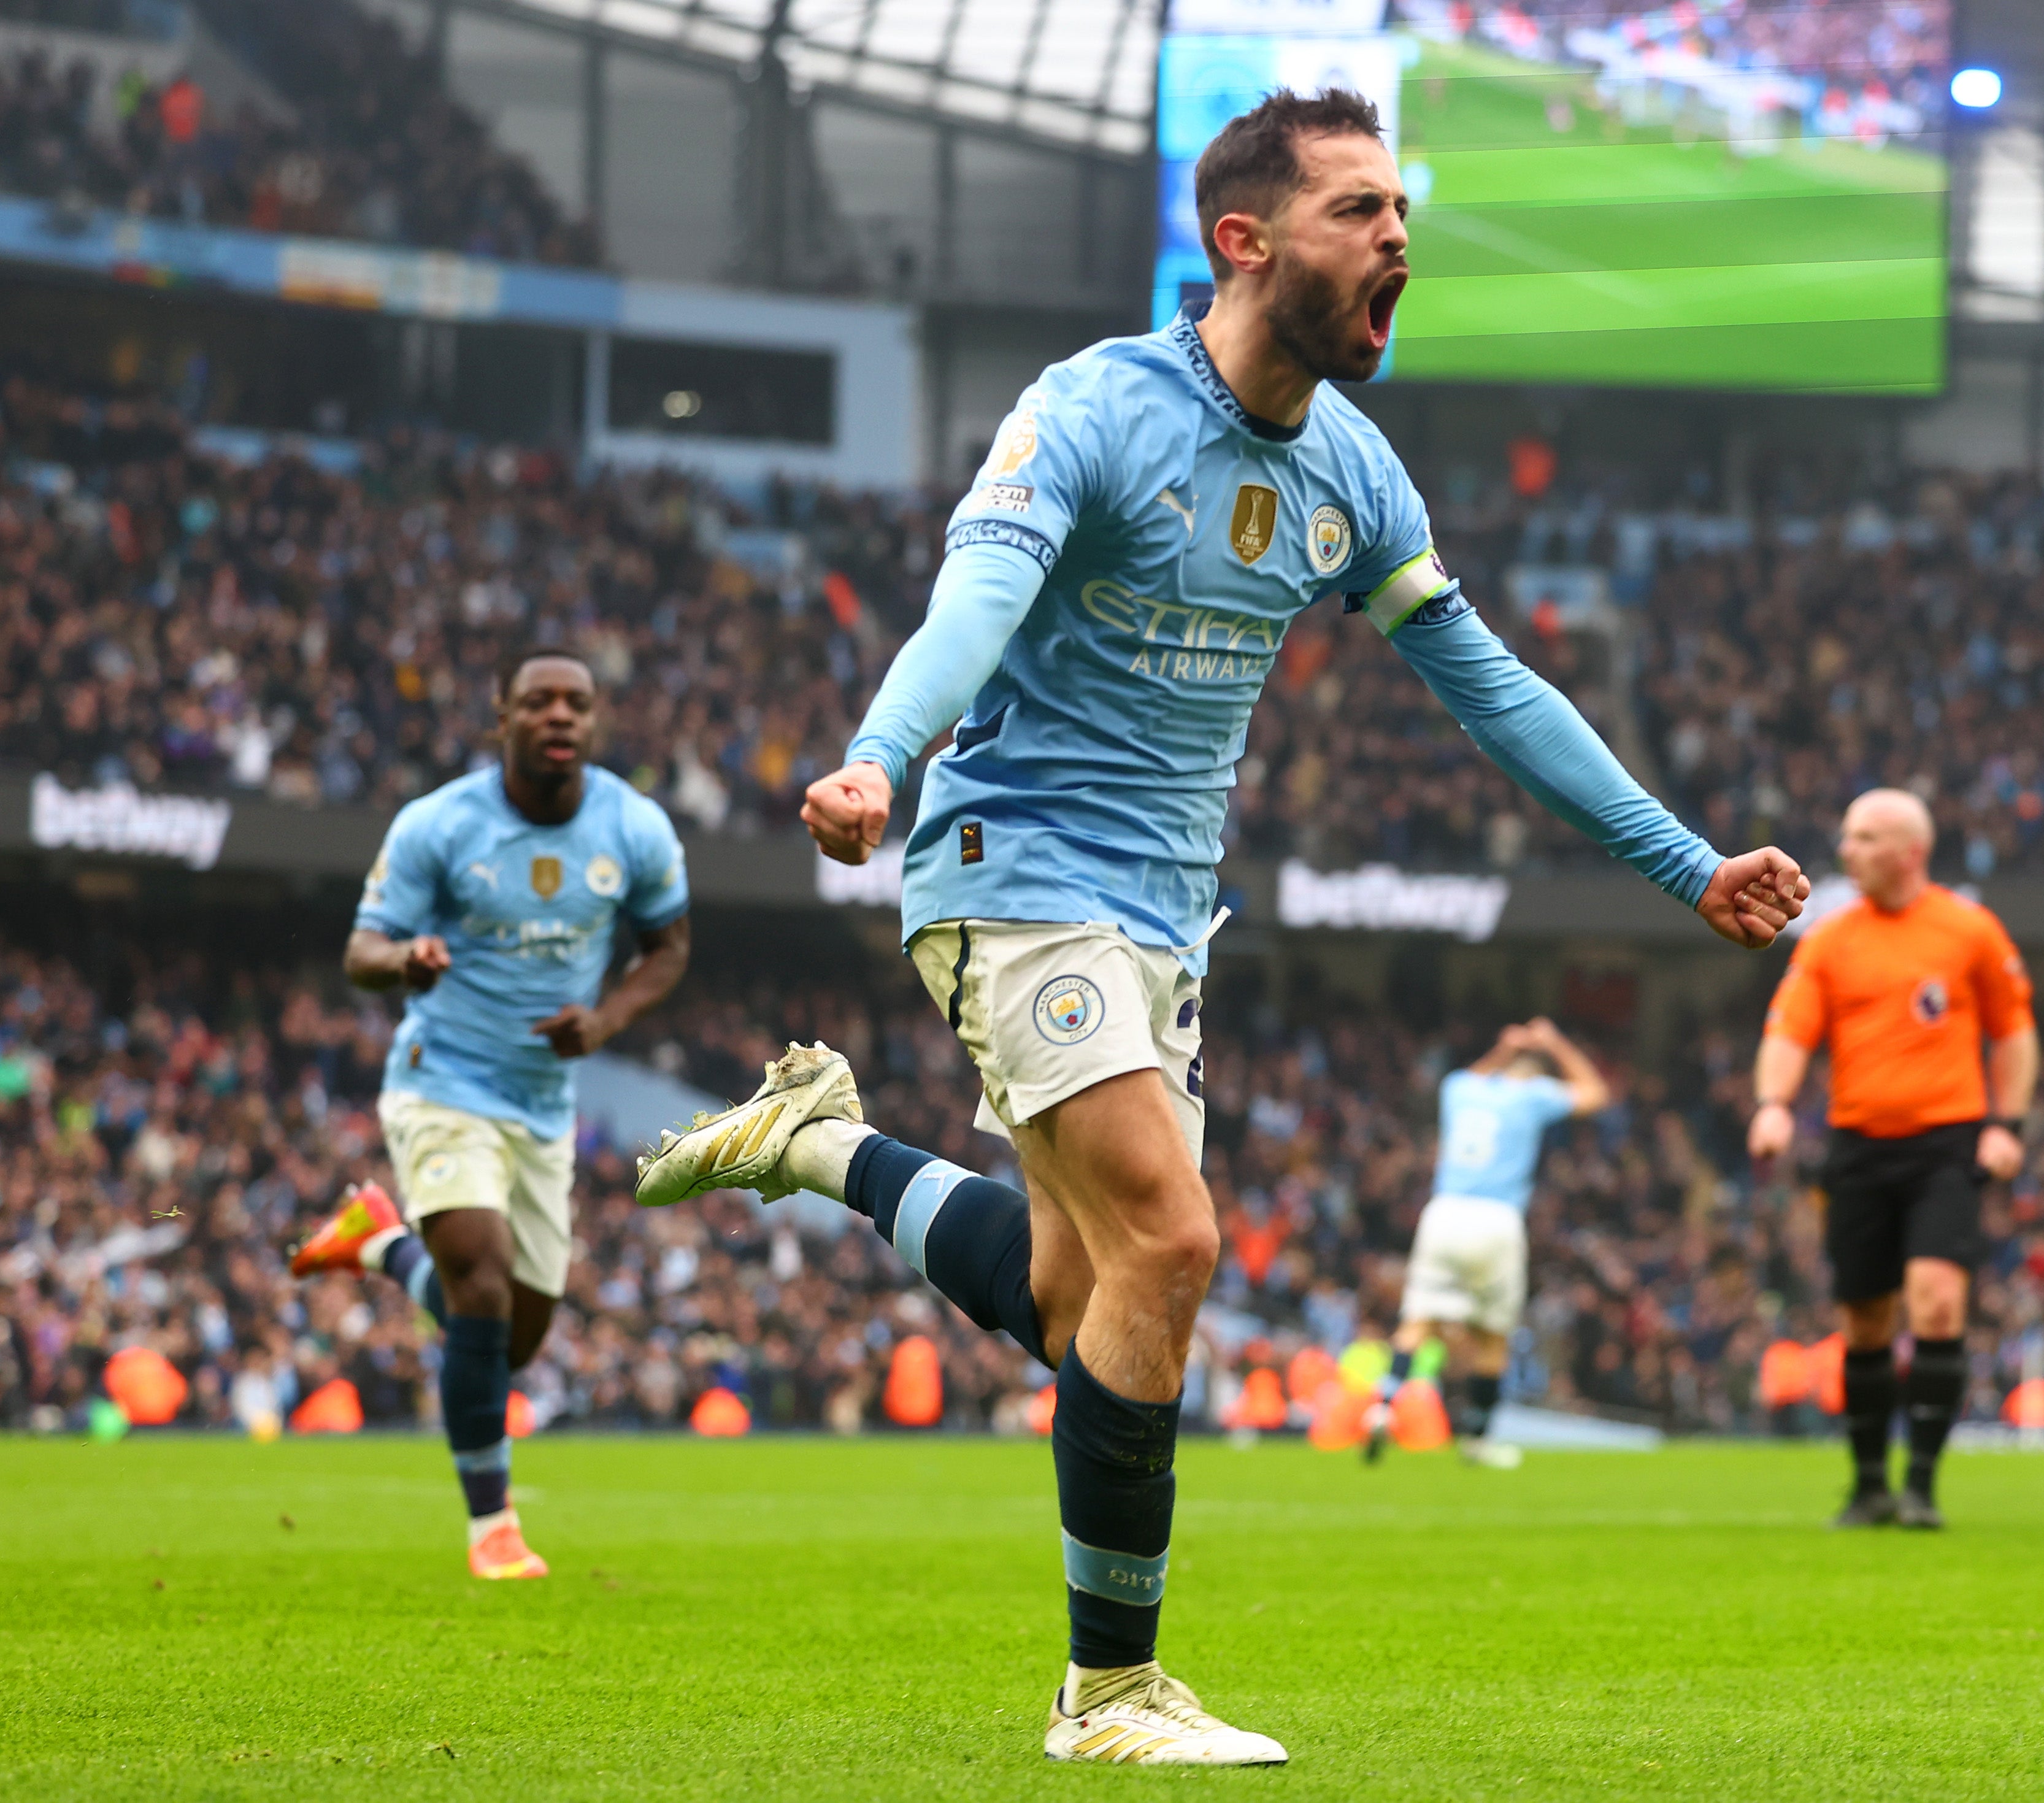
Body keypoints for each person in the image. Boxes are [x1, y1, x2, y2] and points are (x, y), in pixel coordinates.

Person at [635, 88, 1807, 1767]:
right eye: (1357, 210)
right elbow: (976, 596)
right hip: (1016, 861)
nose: (1399, 234)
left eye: (1402, 208)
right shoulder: (1094, 409)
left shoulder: (1353, 466)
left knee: (1072, 1298)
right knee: (1172, 1246)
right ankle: (1108, 1693)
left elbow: (1489, 684)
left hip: (1168, 914)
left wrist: (1683, 861)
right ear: (1244, 243)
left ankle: (820, 1150)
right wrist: (881, 758)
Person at [290, 647, 689, 1578]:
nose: (561, 716)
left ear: (596, 721)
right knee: (477, 1276)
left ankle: (380, 1243)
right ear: (499, 716)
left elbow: (668, 946)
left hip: (543, 1102)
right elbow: (360, 950)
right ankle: (492, 1526)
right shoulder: (438, 824)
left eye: (578, 703)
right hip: (444, 1078)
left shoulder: (634, 827)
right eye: (540, 701)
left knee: (514, 1332)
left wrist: (608, 1018)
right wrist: (406, 960)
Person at [1745, 788, 2035, 1530]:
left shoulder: (1969, 930)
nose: (1846, 850)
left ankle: (1923, 1485)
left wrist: (2007, 1121)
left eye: (1864, 837)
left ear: (1910, 849)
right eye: (1846, 836)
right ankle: (1869, 1481)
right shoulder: (1830, 941)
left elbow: (2012, 1031)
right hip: (1859, 1147)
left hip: (1945, 1144)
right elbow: (1789, 1031)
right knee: (1866, 1319)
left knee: (1938, 1301)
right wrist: (1774, 1104)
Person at [1364, 1017, 1610, 1469]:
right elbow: (1597, 1094)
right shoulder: (1533, 1097)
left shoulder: (1461, 1089)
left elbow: (1475, 1073)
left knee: (1418, 1321)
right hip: (1496, 1219)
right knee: (1491, 1335)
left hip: (1444, 1212)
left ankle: (1382, 1406)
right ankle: (1477, 1441)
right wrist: (1556, 1042)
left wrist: (1504, 1047)